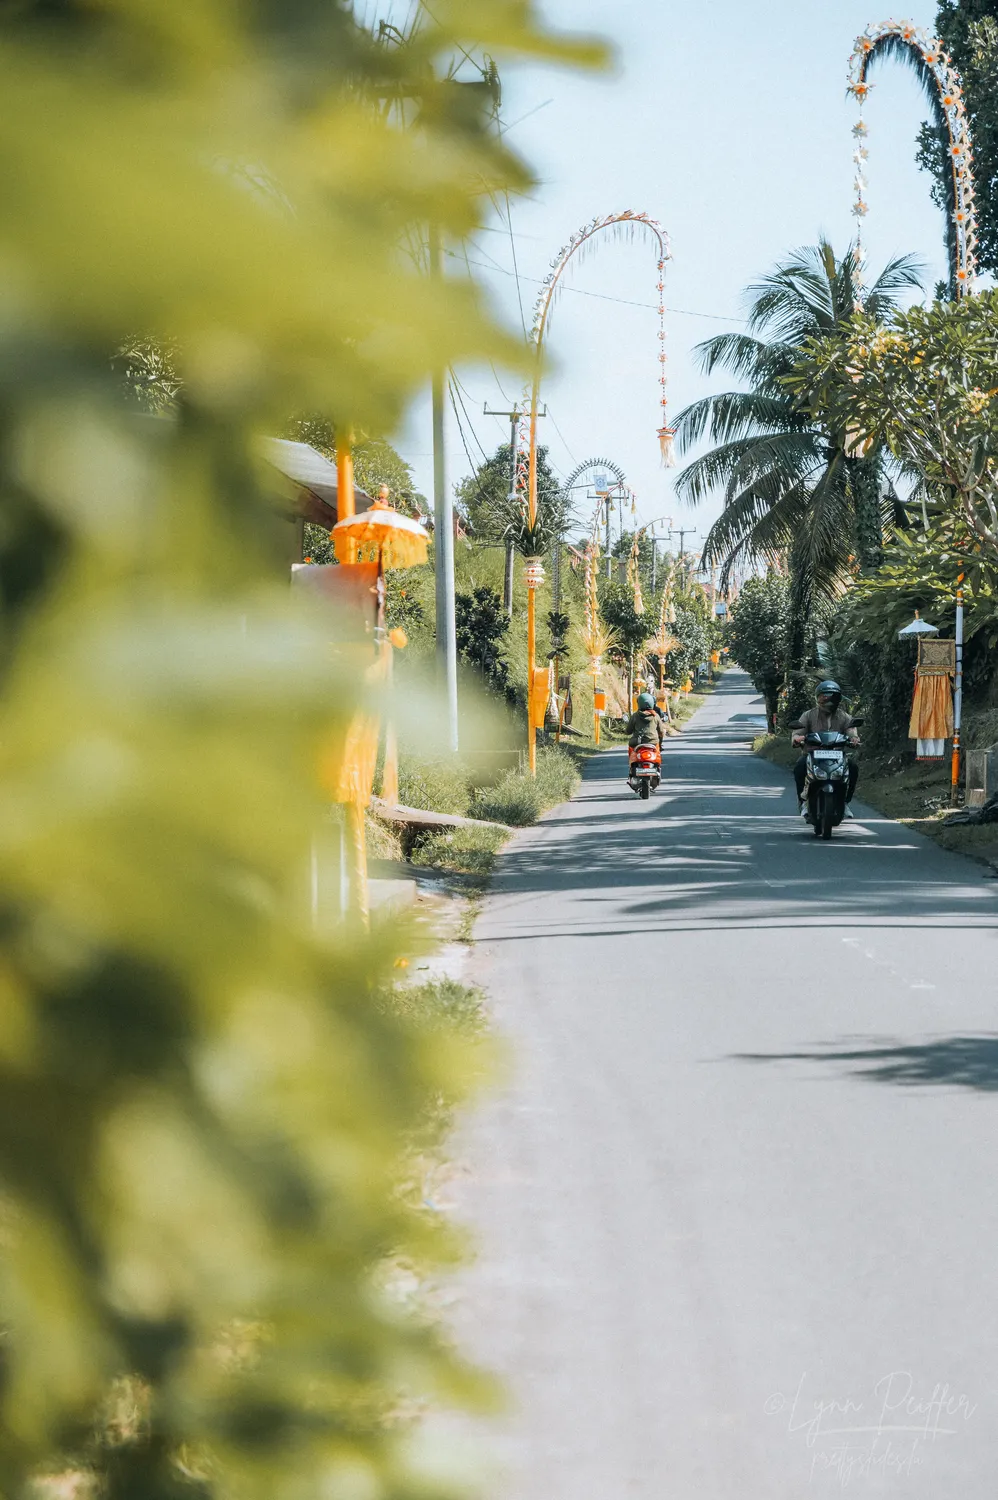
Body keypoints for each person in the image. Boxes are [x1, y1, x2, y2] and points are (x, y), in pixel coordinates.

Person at [791, 680, 860, 817]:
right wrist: (797, 738)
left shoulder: (845, 717)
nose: (828, 700)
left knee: (853, 768)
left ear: (839, 698)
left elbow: (852, 731)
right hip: (812, 754)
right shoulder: (808, 715)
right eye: (824, 696)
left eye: (832, 696)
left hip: (837, 755)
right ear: (818, 697)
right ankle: (803, 802)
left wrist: (854, 739)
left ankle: (845, 802)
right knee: (799, 767)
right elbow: (798, 731)